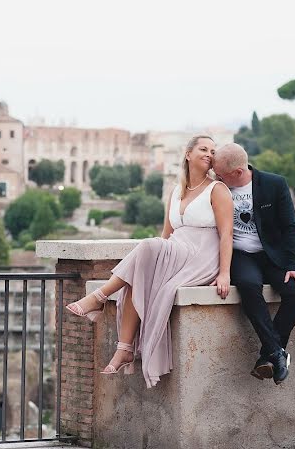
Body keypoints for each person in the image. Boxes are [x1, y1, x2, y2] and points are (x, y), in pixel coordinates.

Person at [65, 135, 233, 388]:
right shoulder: (176, 191)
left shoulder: (217, 190)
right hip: (177, 249)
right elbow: (166, 234)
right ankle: (124, 349)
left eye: (213, 150)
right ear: (188, 154)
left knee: (146, 246)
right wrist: (153, 259)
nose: (209, 153)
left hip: (201, 255)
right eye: (203, 148)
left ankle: (98, 298)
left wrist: (224, 273)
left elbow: (227, 233)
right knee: (140, 273)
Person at [212, 143, 295, 385]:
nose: (216, 178)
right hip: (240, 255)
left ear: (238, 173)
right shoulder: (217, 189)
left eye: (220, 175)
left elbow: (290, 227)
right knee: (248, 285)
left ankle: (269, 355)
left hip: (273, 255)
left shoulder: (274, 184)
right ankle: (277, 353)